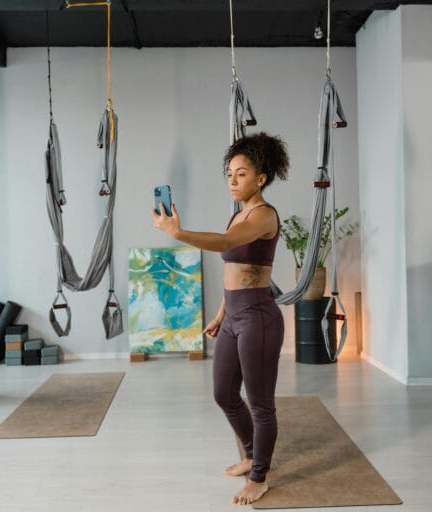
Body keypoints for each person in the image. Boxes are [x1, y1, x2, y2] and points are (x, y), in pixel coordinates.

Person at [151, 132, 289, 505]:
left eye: (241, 174)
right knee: (224, 393)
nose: (232, 179)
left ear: (261, 178)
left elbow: (227, 245)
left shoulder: (263, 215)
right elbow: (238, 272)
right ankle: (250, 455)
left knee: (260, 403)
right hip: (234, 315)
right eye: (229, 172)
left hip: (259, 316)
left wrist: (177, 232)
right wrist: (220, 314)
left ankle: (260, 477)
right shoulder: (238, 212)